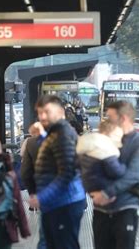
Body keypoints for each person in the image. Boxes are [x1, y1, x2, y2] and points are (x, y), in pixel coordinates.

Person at [90, 101, 139, 249]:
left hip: (126, 208)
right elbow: (89, 169)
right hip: (101, 210)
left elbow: (134, 175)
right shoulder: (103, 139)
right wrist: (92, 191)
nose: (106, 121)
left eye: (110, 117)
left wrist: (107, 193)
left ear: (123, 118)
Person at [28, 95, 86, 249]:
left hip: (65, 202)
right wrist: (41, 136)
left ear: (61, 112)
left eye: (47, 112)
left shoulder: (63, 135)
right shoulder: (56, 133)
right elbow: (54, 155)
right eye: (40, 113)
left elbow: (67, 173)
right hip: (58, 203)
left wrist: (42, 197)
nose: (42, 116)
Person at [77, 120, 139, 209]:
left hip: (90, 182)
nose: (120, 138)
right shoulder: (104, 147)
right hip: (100, 183)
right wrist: (125, 167)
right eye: (117, 135)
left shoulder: (90, 143)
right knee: (128, 180)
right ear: (110, 133)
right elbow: (116, 171)